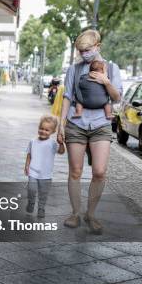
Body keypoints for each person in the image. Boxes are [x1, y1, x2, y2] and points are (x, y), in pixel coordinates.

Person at [58, 29, 122, 234]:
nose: (84, 53)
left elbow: (117, 98)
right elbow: (67, 97)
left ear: (98, 46)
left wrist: (106, 81)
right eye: (80, 50)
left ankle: (91, 214)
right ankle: (76, 213)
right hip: (76, 123)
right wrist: (61, 124)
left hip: (101, 124)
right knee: (75, 171)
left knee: (99, 171)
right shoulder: (74, 69)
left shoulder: (111, 68)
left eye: (87, 49)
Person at [24, 115, 66, 218]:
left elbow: (61, 152)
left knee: (43, 193)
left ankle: (41, 208)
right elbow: (29, 154)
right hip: (33, 171)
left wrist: (61, 144)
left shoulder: (52, 143)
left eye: (47, 130)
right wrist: (26, 165)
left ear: (52, 132)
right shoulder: (33, 141)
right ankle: (31, 202)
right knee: (31, 189)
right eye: (41, 129)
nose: (43, 131)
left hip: (46, 174)